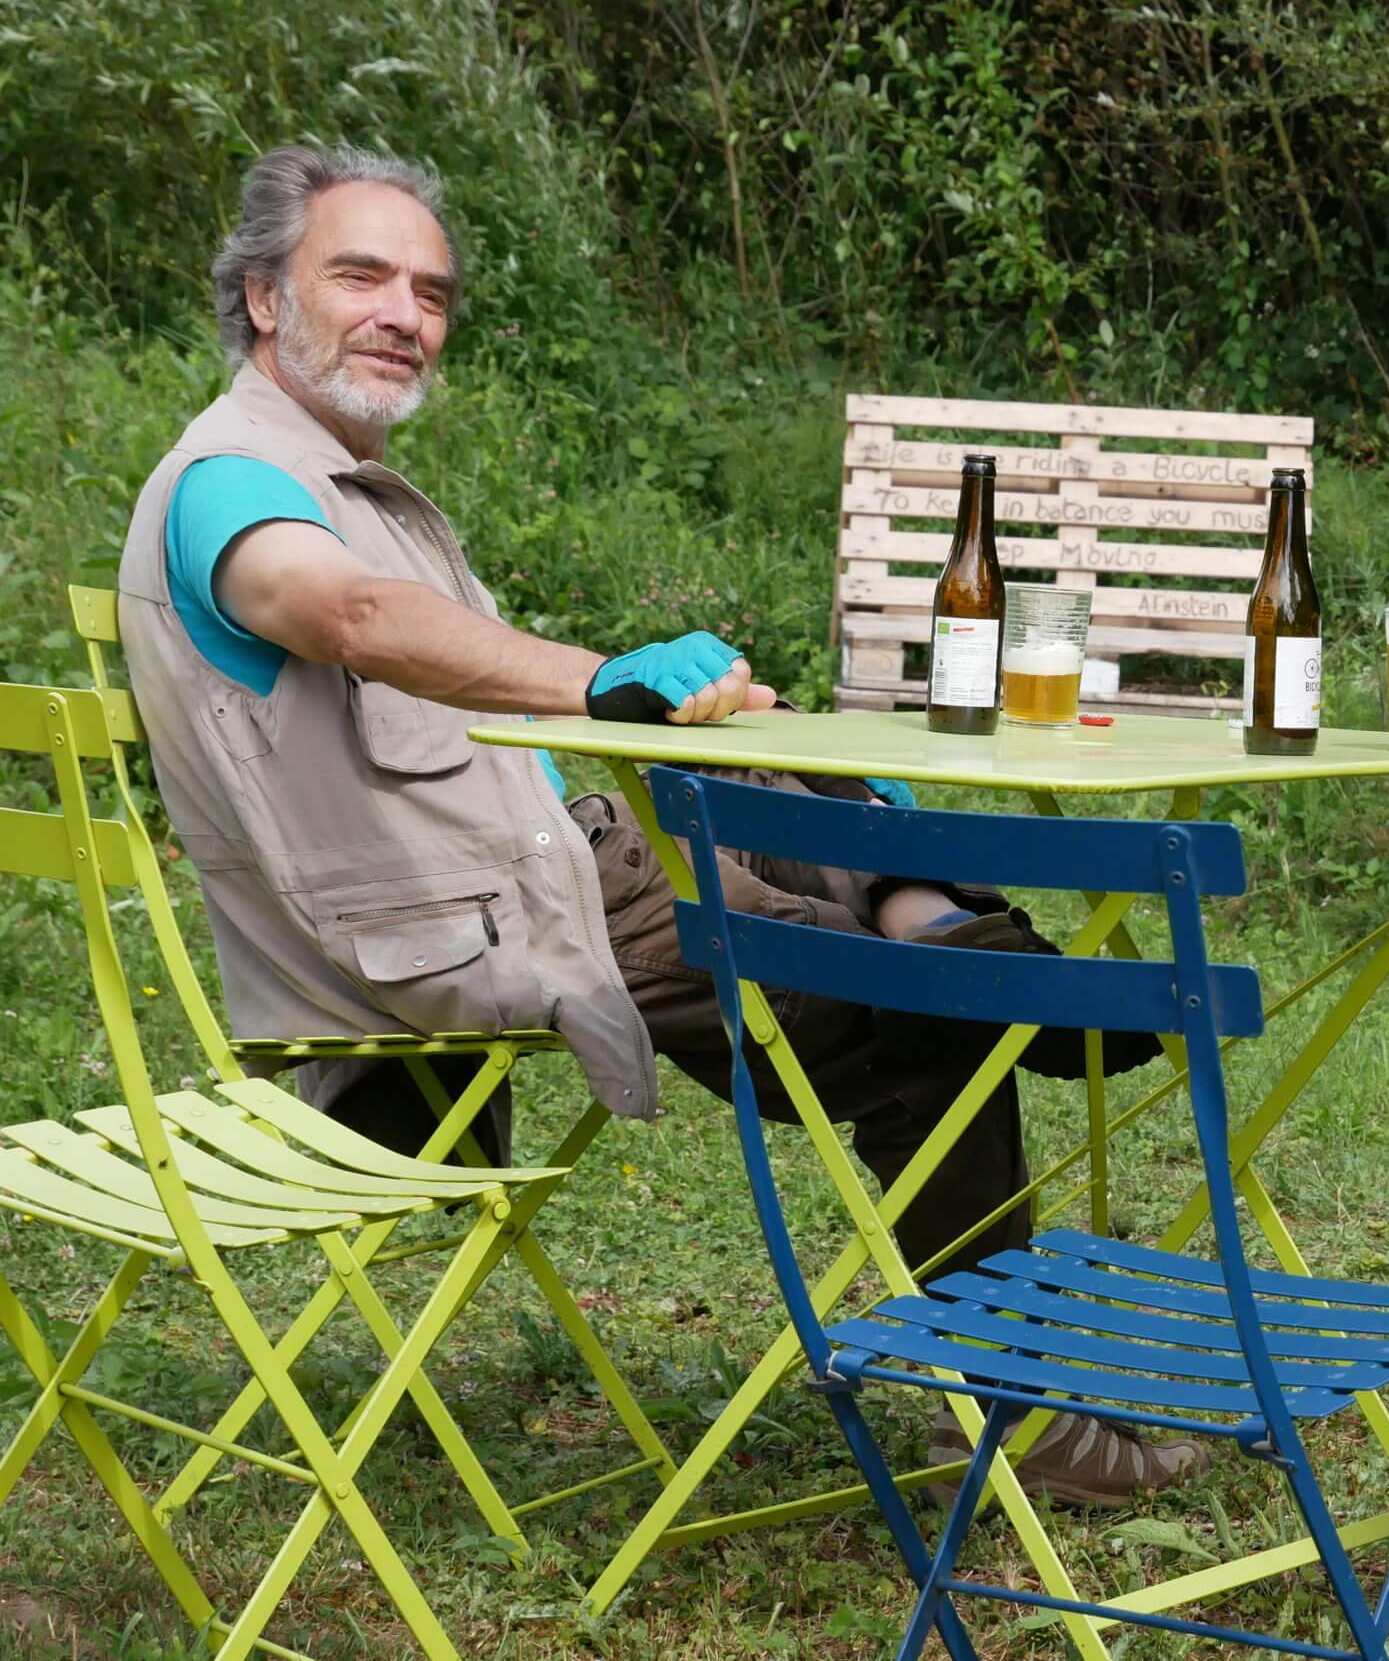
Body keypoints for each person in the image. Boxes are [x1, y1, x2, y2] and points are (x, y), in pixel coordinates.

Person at [115, 143, 1200, 1505]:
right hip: (483, 922)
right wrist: (600, 678)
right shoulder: (235, 482)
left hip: (545, 866)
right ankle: (1023, 1395)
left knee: (749, 749)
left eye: (432, 290)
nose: (406, 311)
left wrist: (647, 706)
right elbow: (349, 616)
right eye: (363, 275)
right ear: (268, 299)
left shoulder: (324, 473)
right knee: (940, 1013)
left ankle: (930, 904)